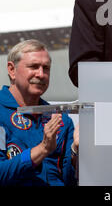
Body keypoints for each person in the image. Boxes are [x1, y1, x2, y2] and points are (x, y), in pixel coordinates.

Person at [0, 39, 79, 186]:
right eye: (34, 67)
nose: (41, 74)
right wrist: (43, 149)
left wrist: (76, 150)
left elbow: (69, 180)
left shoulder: (61, 119)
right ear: (12, 70)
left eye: (46, 68)